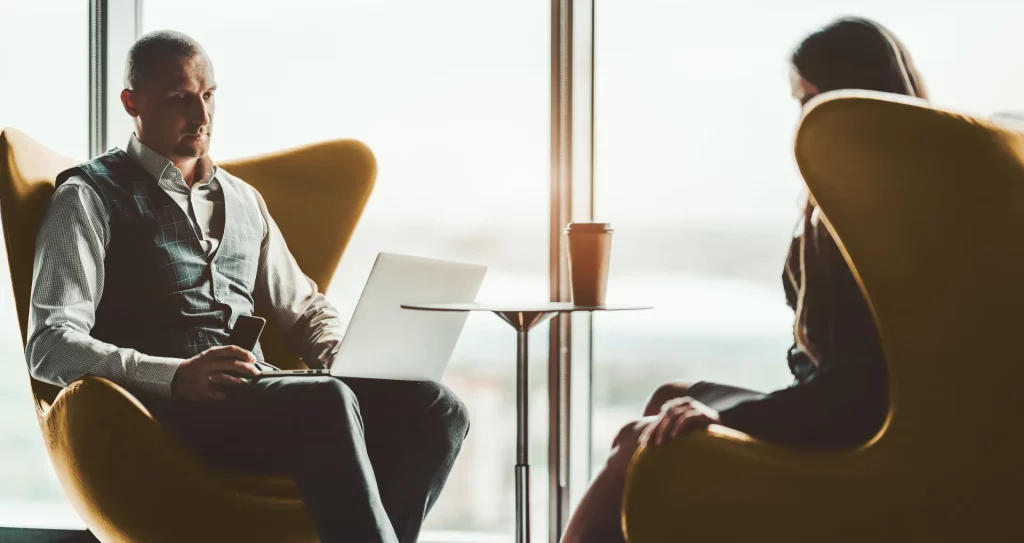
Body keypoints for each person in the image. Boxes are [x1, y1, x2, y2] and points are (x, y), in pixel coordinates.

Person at [25, 30, 469, 543]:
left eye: (209, 95)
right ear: (132, 102)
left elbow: (302, 308)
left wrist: (339, 350)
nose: (201, 115)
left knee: (437, 408)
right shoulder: (88, 195)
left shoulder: (243, 200)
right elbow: (51, 345)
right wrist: (174, 376)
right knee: (325, 403)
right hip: (159, 417)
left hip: (262, 396)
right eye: (179, 98)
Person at [560, 17, 927, 543]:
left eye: (810, 103)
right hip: (842, 407)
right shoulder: (893, 195)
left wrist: (730, 418)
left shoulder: (868, 219)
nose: (801, 124)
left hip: (851, 429)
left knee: (638, 441)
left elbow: (855, 390)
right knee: (667, 397)